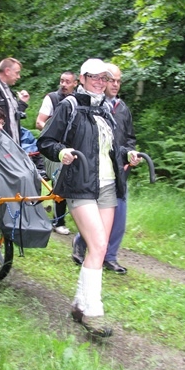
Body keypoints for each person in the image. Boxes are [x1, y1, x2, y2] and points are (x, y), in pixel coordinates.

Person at [38, 58, 141, 338]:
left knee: (99, 246)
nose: (99, 81)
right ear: (82, 78)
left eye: (103, 77)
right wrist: (61, 153)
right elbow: (46, 141)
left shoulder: (107, 110)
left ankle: (80, 304)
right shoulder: (69, 106)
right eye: (93, 76)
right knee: (96, 245)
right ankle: (93, 312)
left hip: (108, 186)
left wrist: (127, 155)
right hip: (79, 184)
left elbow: (113, 149)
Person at [72, 64, 137, 275]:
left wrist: (129, 155)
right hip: (91, 174)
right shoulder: (84, 106)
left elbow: (129, 138)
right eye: (112, 80)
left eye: (119, 81)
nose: (115, 85)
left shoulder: (122, 108)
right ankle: (82, 244)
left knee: (119, 216)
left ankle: (109, 257)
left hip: (118, 171)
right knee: (94, 220)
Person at [36, 71, 79, 235]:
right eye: (62, 80)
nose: (64, 84)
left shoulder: (78, 101)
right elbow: (39, 122)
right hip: (52, 148)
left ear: (75, 83)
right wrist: (55, 132)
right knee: (61, 175)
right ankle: (58, 220)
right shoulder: (52, 98)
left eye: (68, 81)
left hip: (73, 148)